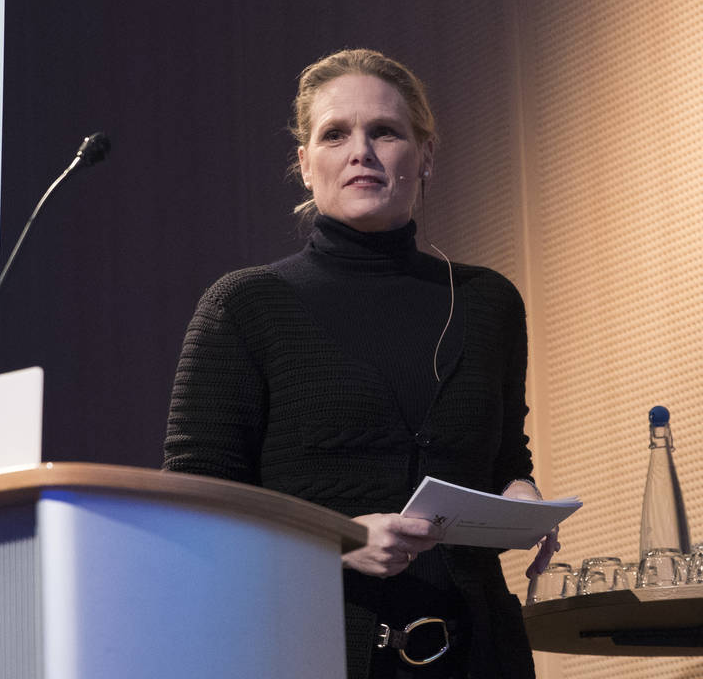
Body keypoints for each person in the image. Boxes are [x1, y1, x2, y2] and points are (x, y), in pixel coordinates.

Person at [162, 49, 558, 678]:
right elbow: (195, 511)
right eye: (335, 134)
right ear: (304, 162)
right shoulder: (243, 306)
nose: (361, 151)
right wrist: (334, 542)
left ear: (425, 155)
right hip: (305, 650)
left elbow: (505, 456)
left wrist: (521, 497)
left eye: (386, 132)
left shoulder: (487, 302)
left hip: (481, 651)